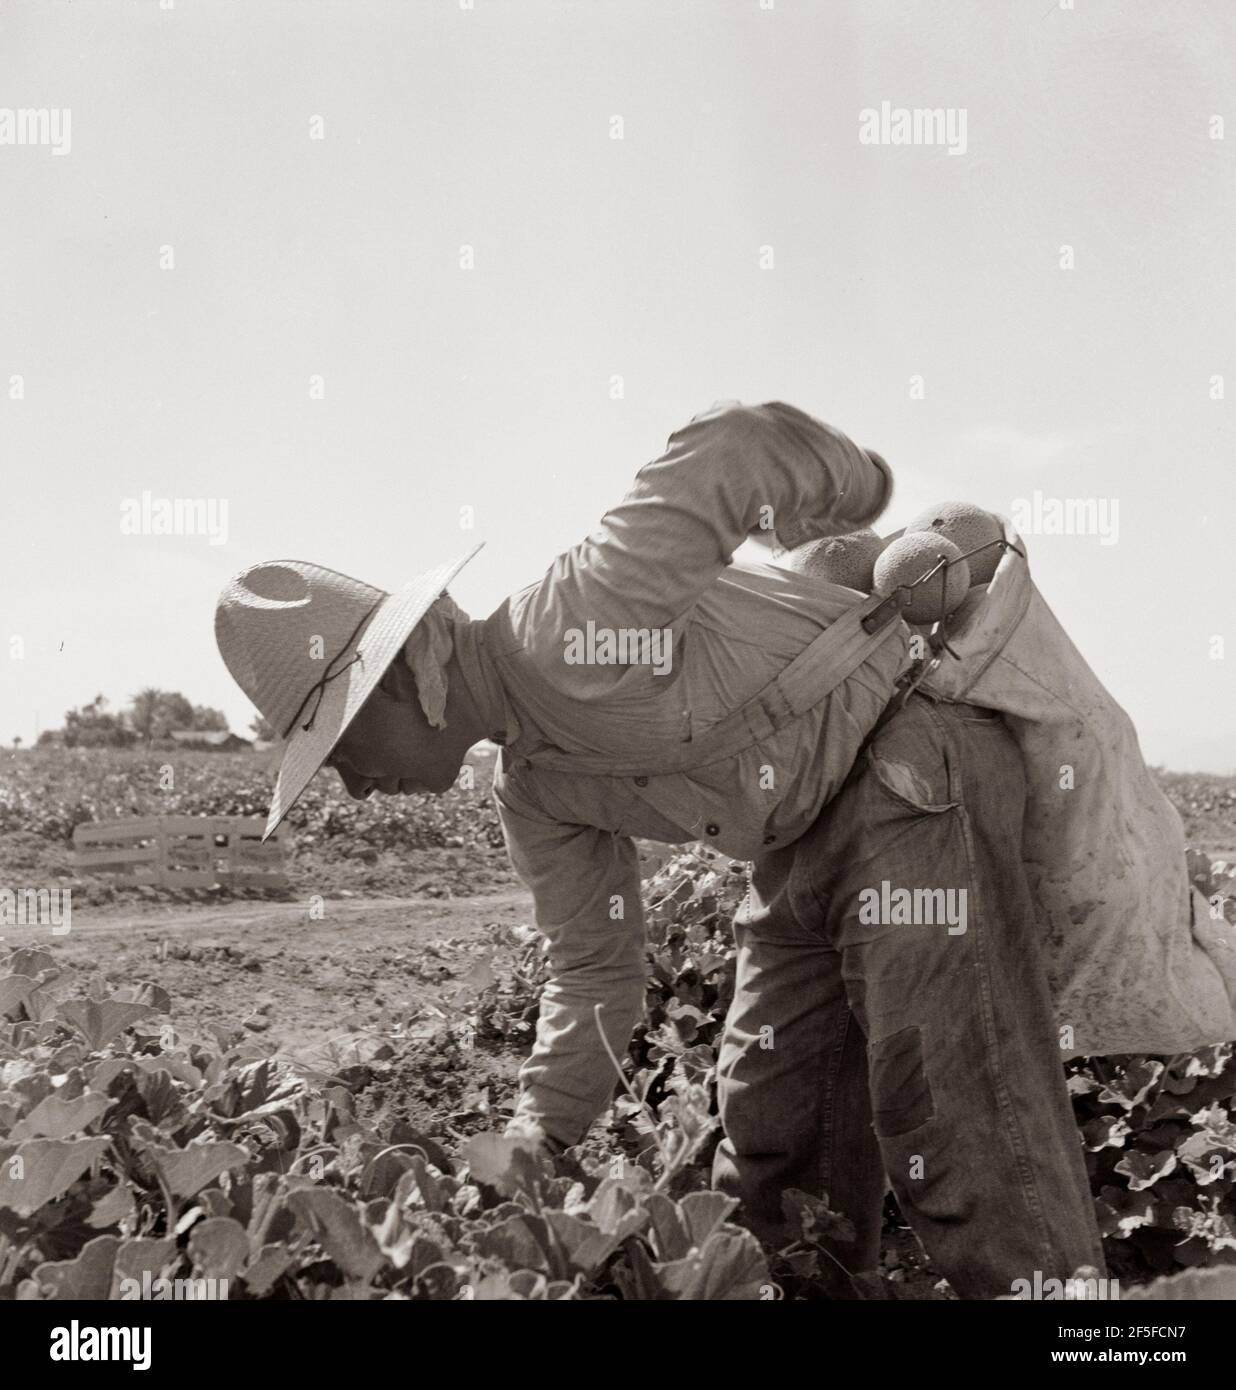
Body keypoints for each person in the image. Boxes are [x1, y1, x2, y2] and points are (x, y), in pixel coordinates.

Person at [214, 400, 1104, 1298]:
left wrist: (857, 492)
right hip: (799, 842)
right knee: (775, 1134)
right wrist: (538, 1135)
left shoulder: (566, 625)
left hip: (912, 771)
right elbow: (593, 971)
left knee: (954, 1110)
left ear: (406, 680)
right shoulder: (533, 792)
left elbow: (737, 445)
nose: (355, 786)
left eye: (340, 749)